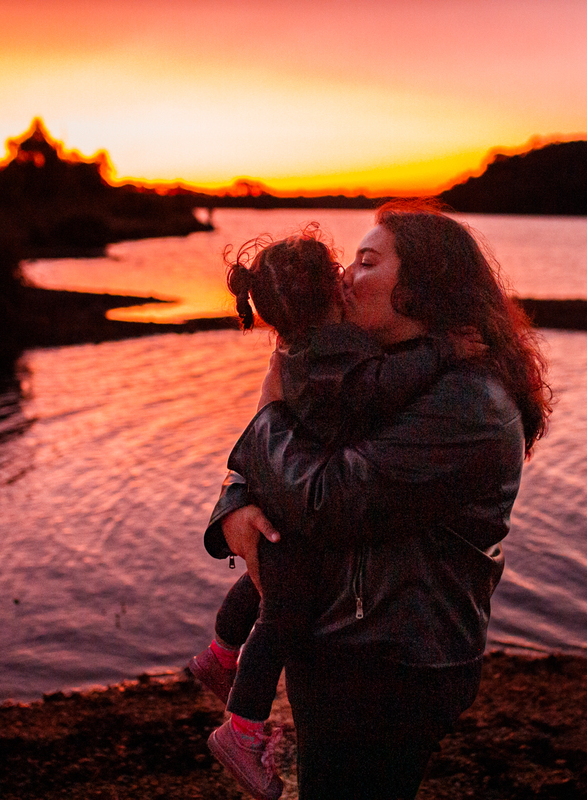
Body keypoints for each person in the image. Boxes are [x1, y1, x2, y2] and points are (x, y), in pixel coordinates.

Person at [203, 199, 552, 799]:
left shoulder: (471, 402)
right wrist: (234, 506)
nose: (345, 275)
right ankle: (224, 660)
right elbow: (301, 456)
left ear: (425, 286)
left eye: (366, 262)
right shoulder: (372, 370)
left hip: (393, 664)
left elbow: (333, 497)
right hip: (340, 641)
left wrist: (266, 413)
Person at [189, 224, 452, 800]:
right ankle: (241, 725)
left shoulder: (298, 353)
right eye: (348, 264)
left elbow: (269, 442)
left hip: (303, 518)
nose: (351, 277)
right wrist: (442, 349)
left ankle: (220, 653)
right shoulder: (340, 355)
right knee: (283, 608)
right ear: (330, 290)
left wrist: (245, 492)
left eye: (367, 262)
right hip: (311, 527)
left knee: (274, 584)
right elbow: (379, 388)